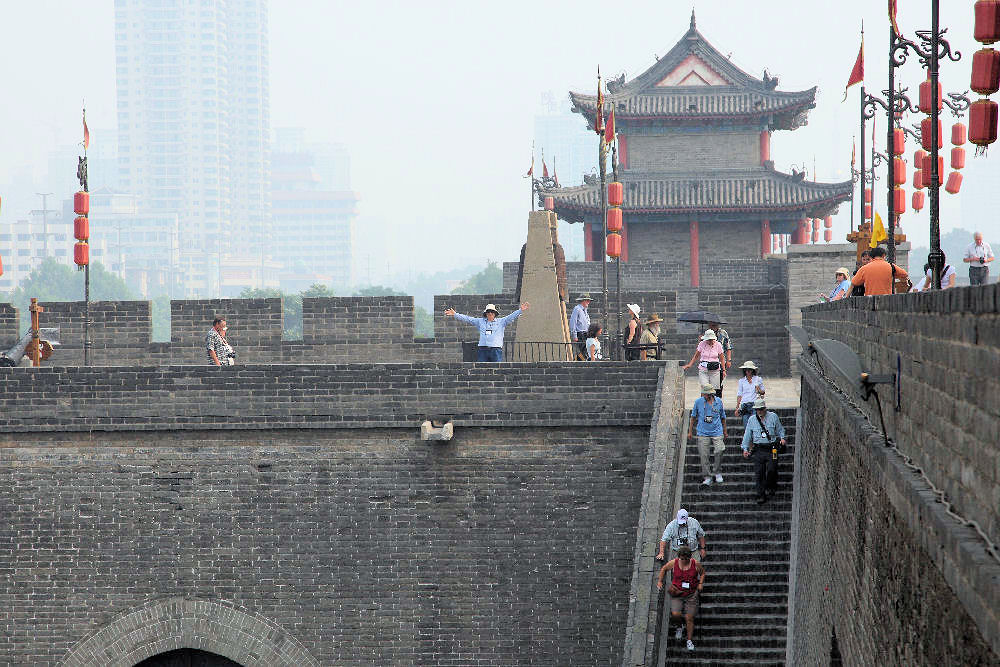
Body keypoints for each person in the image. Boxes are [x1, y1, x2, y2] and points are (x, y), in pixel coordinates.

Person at [657, 545, 705, 653]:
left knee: (689, 617)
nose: (683, 561)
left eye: (685, 559)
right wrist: (660, 581)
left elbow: (702, 573)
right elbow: (664, 568)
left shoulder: (695, 564)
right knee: (675, 614)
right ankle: (679, 626)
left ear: (689, 557)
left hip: (691, 594)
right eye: (682, 559)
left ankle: (689, 640)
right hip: (677, 592)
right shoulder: (674, 562)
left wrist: (700, 583)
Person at [444, 302, 530, 362]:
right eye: (488, 312)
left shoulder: (501, 321)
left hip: (495, 349)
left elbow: (511, 317)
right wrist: (455, 314)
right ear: (486, 313)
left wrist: (520, 310)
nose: (490, 314)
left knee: (497, 370)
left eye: (492, 312)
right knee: (481, 369)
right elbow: (468, 319)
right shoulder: (480, 321)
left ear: (495, 313)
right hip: (483, 349)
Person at [741, 398, 787, 504]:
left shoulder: (773, 417)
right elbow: (747, 435)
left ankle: (770, 485)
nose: (759, 411)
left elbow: (780, 429)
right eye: (757, 409)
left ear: (765, 408)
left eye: (761, 409)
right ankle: (761, 494)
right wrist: (745, 448)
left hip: (772, 448)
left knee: (772, 468)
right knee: (759, 473)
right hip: (759, 449)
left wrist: (782, 438)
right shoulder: (752, 420)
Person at [689, 383, 726, 486]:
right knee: (704, 455)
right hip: (702, 432)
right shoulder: (698, 402)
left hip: (717, 431)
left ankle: (717, 472)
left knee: (720, 449)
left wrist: (725, 431)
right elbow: (693, 417)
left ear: (710, 394)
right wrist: (690, 431)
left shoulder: (718, 402)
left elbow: (723, 416)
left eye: (705, 394)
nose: (703, 395)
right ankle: (707, 476)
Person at [734, 361, 765, 427]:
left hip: (754, 404)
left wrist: (758, 388)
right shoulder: (741, 381)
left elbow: (763, 392)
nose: (748, 371)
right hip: (744, 405)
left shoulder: (758, 379)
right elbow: (739, 394)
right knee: (746, 425)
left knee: (754, 424)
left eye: (750, 369)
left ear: (752, 370)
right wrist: (737, 407)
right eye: (746, 369)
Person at [569, 294, 592, 360]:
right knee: (581, 352)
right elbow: (573, 323)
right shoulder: (577, 309)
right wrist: (574, 336)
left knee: (585, 352)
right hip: (580, 334)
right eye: (587, 300)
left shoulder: (585, 310)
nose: (588, 302)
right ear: (583, 301)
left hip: (586, 334)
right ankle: (580, 364)